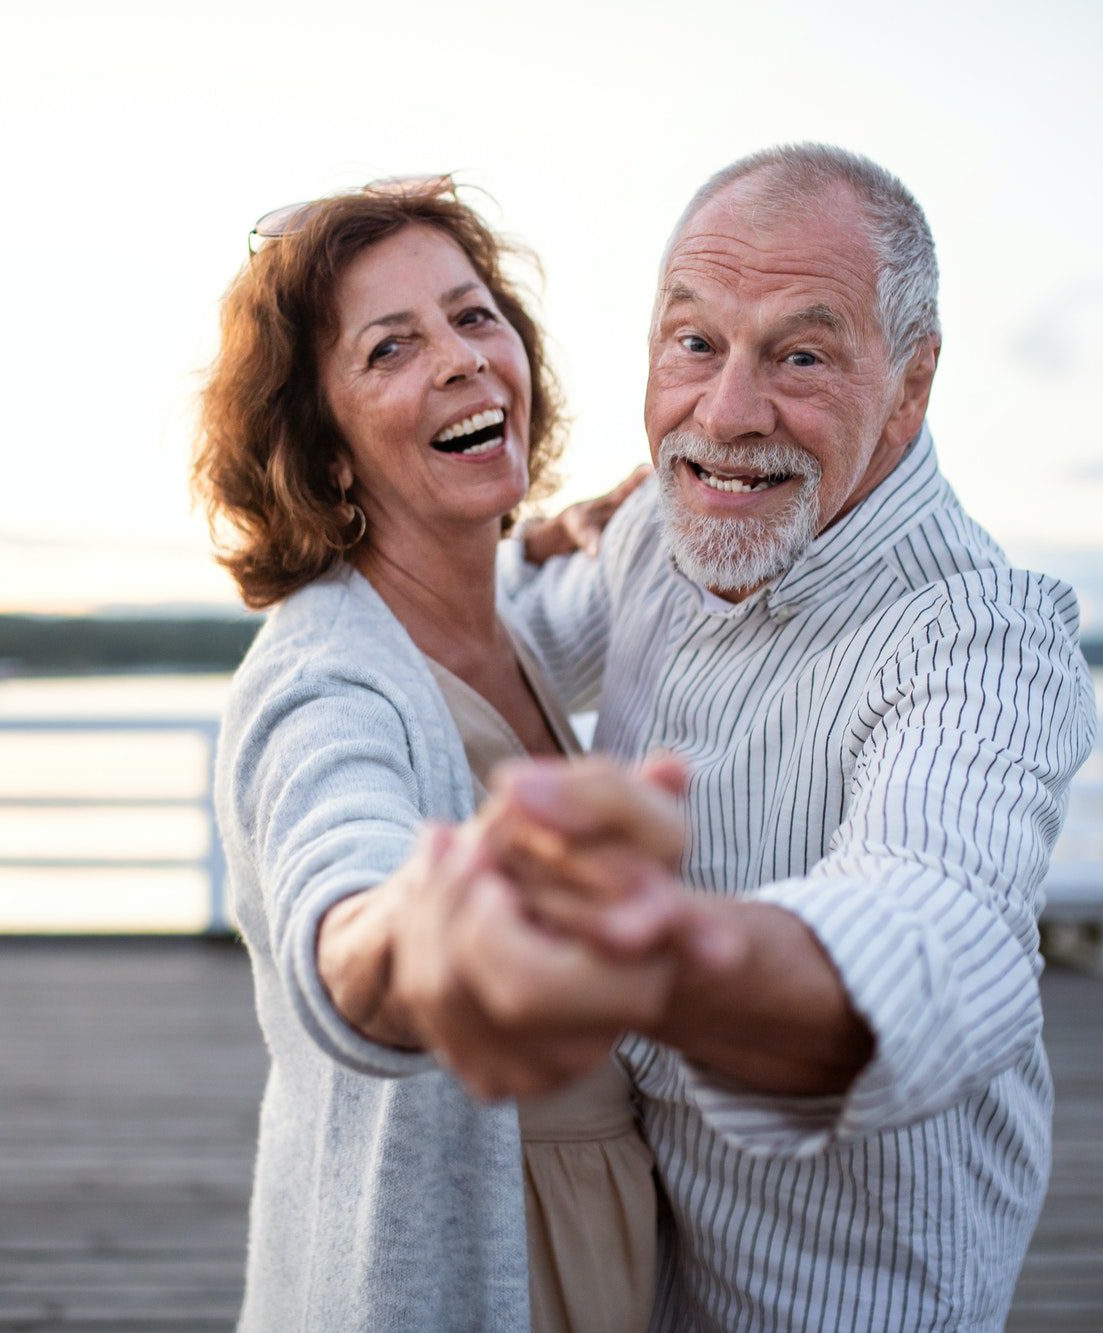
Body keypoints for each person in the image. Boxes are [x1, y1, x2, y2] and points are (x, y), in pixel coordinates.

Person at [369, 144, 1099, 1331]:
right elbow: (494, 641)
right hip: (637, 1272)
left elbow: (932, 922)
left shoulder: (983, 641)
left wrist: (646, 958)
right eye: (695, 343)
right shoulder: (663, 520)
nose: (727, 411)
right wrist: (488, 536)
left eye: (800, 355)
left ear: (910, 383)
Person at [195, 178, 667, 1332]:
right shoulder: (323, 679)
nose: (458, 359)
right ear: (329, 448)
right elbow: (337, 879)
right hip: (473, 1267)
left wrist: (669, 474)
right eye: (389, 347)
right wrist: (410, 933)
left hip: (597, 1233)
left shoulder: (497, 619)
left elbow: (574, 592)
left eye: (471, 316)